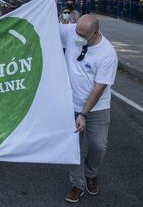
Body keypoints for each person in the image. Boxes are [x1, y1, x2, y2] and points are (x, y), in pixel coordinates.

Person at [59, 14, 117, 203]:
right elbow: (45, 26)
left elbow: (99, 88)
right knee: (72, 147)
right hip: (70, 104)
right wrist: (47, 3)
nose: (77, 37)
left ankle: (91, 174)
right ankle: (77, 184)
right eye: (77, 32)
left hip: (96, 108)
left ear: (95, 33)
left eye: (82, 35)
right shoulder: (71, 32)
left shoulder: (107, 53)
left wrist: (83, 113)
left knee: (98, 145)